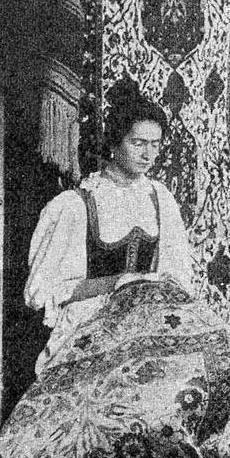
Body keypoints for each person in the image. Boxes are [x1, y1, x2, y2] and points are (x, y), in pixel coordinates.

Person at [24, 82, 193, 374]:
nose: (148, 155)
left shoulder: (159, 198)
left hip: (144, 321)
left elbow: (176, 274)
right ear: (114, 143)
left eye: (155, 144)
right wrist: (117, 283)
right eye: (137, 143)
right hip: (90, 323)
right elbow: (50, 291)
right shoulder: (76, 205)